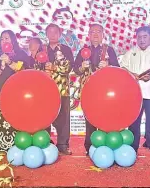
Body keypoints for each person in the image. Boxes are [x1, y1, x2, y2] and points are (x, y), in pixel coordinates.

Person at [120, 26, 150, 155]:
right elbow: (123, 68)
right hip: (134, 94)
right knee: (133, 122)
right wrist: (131, 74)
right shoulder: (130, 53)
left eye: (145, 37)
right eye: (139, 37)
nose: (142, 40)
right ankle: (132, 146)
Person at [74, 23, 119, 155]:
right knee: (90, 118)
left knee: (106, 116)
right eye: (92, 31)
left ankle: (108, 143)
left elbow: (117, 68)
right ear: (88, 35)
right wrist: (82, 67)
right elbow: (76, 69)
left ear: (103, 35)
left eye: (98, 31)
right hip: (89, 90)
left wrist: (108, 65)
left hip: (105, 91)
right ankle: (90, 146)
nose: (95, 34)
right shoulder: (83, 51)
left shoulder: (108, 50)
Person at [0, 30, 34, 152]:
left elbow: (23, 70)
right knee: (3, 120)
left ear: (13, 40)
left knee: (18, 118)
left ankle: (21, 145)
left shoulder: (20, 54)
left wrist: (10, 62)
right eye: (2, 39)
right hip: (1, 91)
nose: (4, 41)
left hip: (17, 93)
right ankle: (4, 146)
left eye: (7, 38)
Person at [44, 23, 74, 155]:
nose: (52, 35)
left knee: (63, 116)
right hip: (44, 89)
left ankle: (63, 144)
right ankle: (45, 141)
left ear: (60, 34)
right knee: (45, 116)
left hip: (62, 88)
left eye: (55, 32)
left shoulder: (66, 50)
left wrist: (54, 68)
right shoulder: (42, 50)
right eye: (49, 32)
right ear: (46, 34)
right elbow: (34, 68)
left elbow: (69, 68)